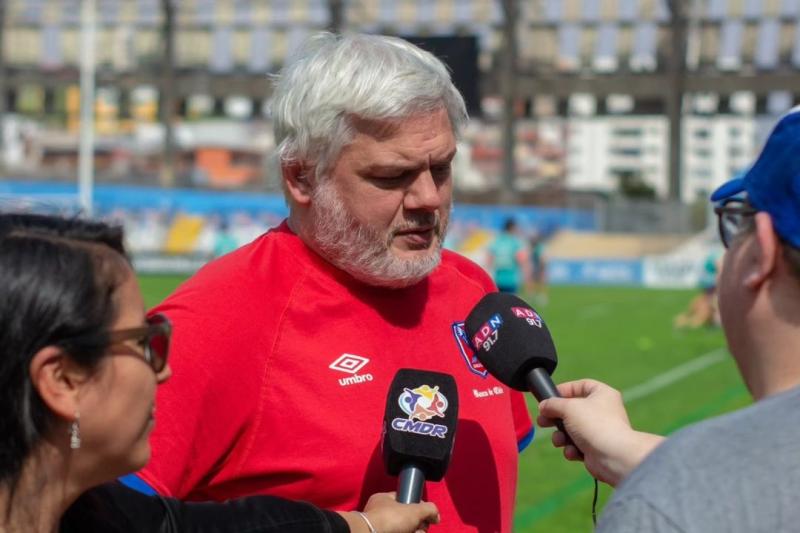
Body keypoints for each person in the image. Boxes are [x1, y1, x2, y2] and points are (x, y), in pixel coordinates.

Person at [132, 33, 533, 533]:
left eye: (442, 168)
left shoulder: (473, 292)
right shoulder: (214, 322)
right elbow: (98, 516)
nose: (429, 198)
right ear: (301, 177)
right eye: (392, 176)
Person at [0, 213, 439, 533]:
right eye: (144, 343)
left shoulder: (91, 513)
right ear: (62, 381)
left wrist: (363, 525)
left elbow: (215, 525)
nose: (166, 369)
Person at [538, 107, 800, 532]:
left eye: (735, 223)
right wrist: (628, 451)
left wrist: (666, 488)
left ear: (762, 252)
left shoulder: (666, 511)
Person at [487, 218, 530, 294]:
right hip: (511, 278)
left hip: (498, 278)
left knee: (499, 303)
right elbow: (521, 259)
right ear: (512, 228)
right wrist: (526, 274)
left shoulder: (497, 240)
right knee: (511, 304)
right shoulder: (515, 241)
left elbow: (490, 258)